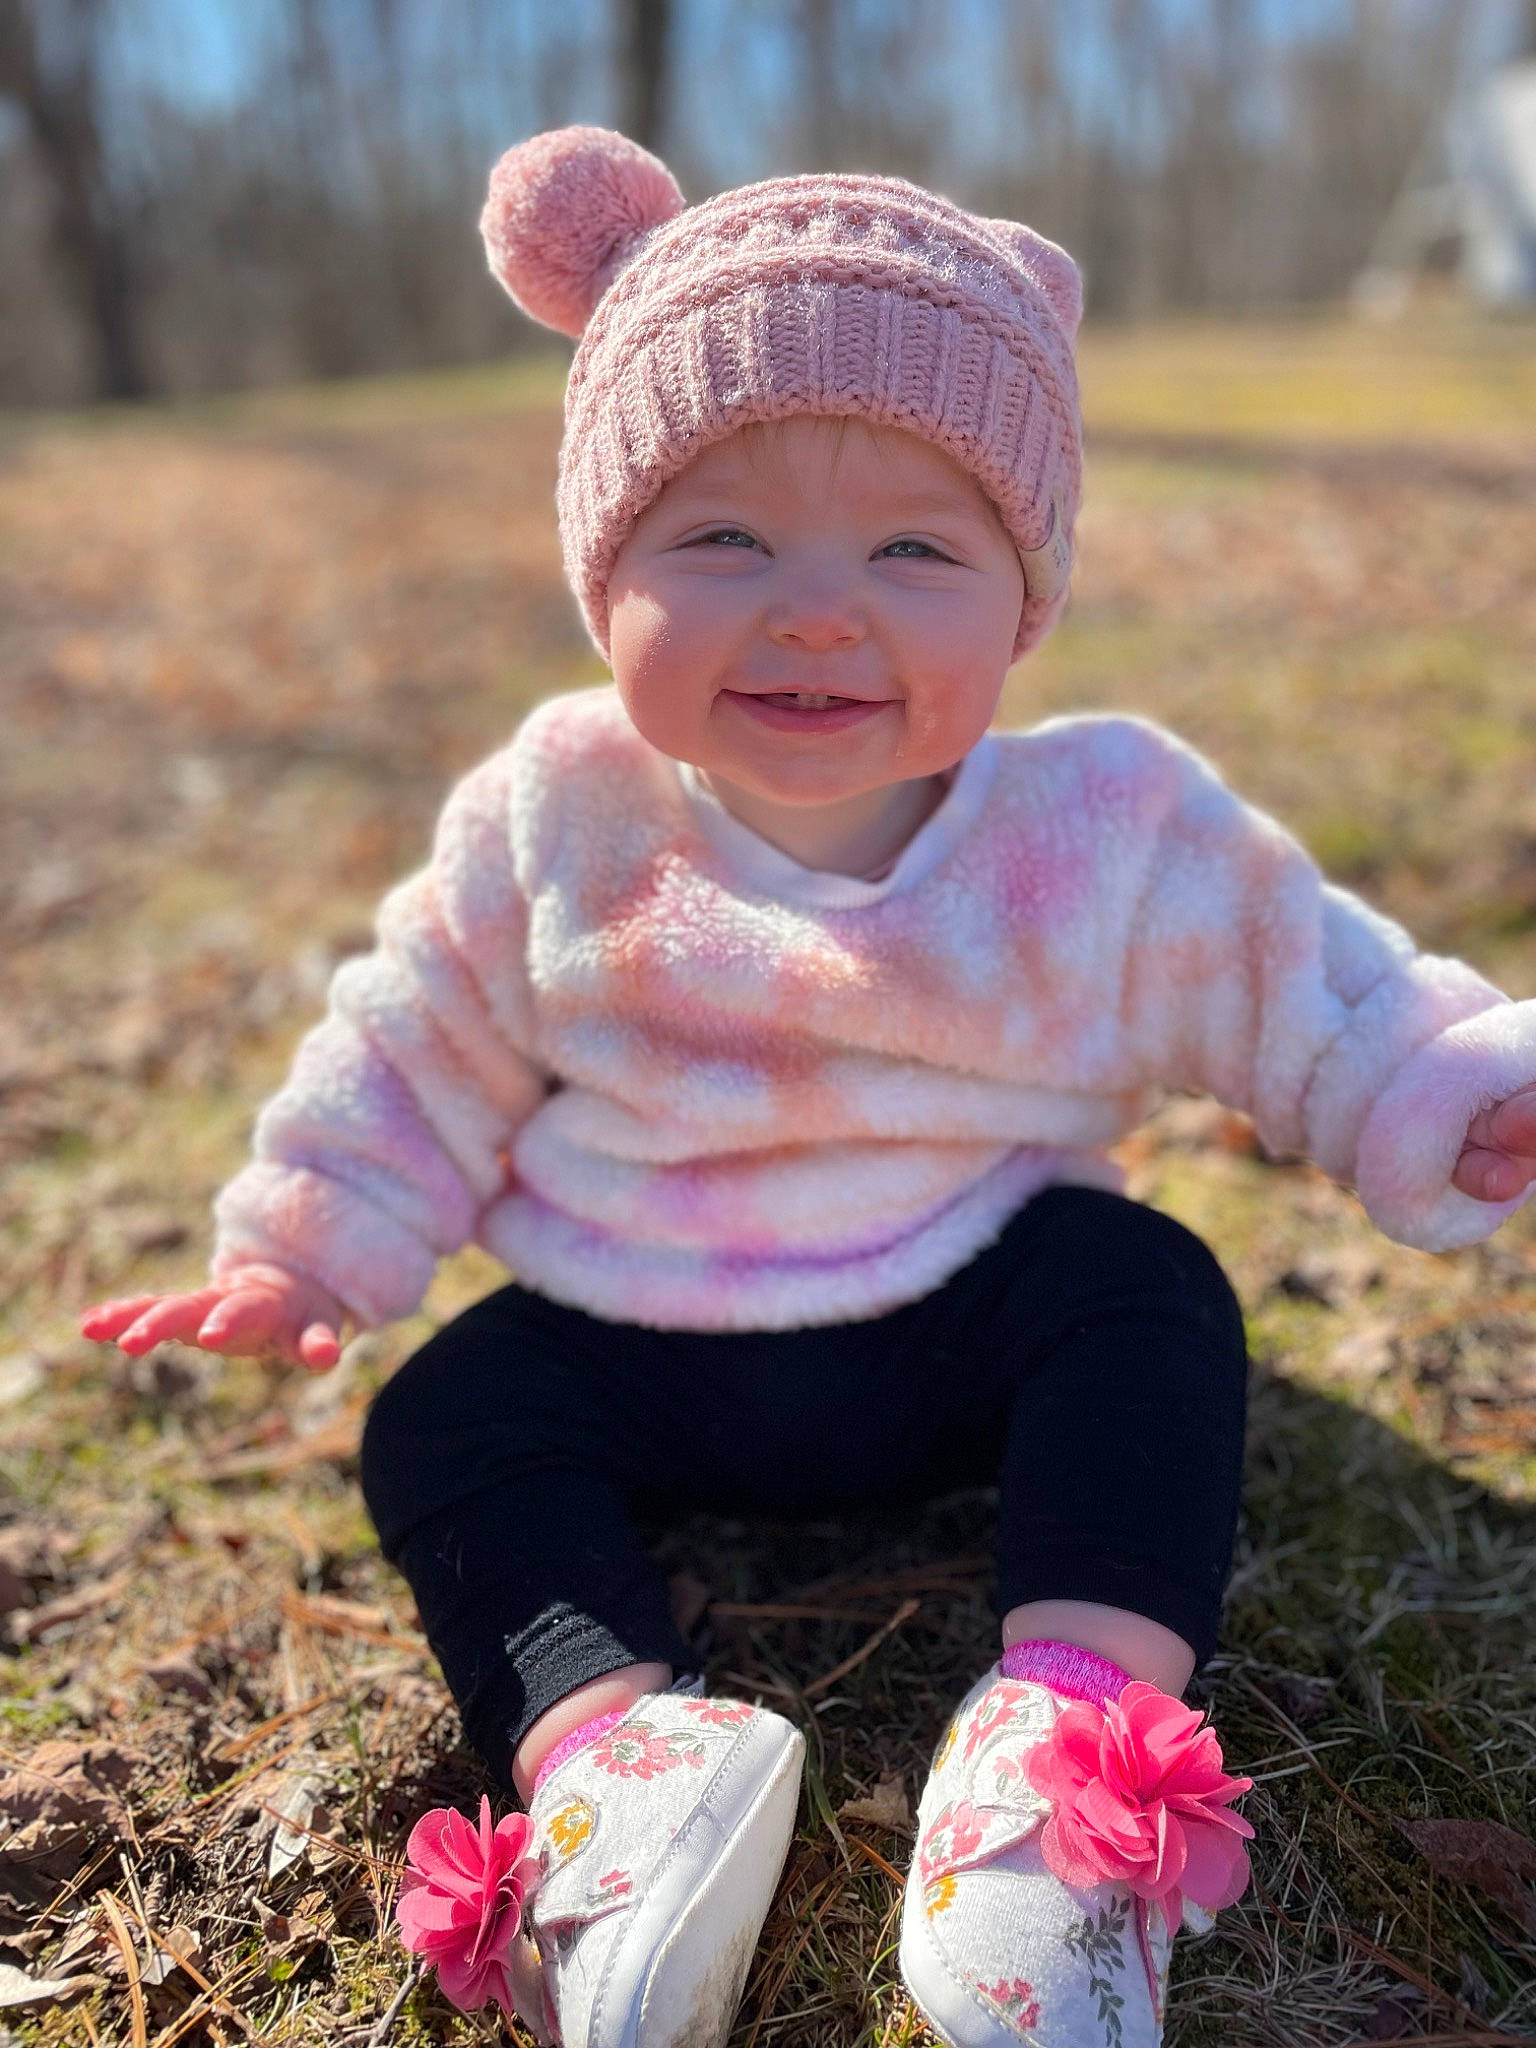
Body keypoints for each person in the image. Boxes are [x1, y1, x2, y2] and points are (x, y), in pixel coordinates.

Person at [81, 127, 1536, 2048]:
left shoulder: (1103, 827)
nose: (818, 609)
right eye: (723, 538)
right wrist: (309, 1242)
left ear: (1023, 592)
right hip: (637, 1328)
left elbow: (1308, 982)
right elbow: (412, 1037)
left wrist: (1437, 1086)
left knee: (1154, 1297)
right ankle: (619, 1756)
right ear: (606, 575)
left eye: (916, 548)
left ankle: (1071, 1755)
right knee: (447, 1419)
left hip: (971, 1310)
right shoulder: (557, 819)